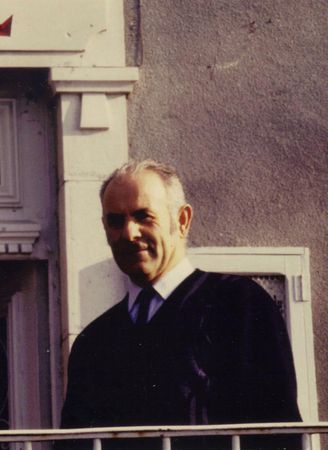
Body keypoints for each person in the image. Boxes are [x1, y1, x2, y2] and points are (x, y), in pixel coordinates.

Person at [59, 159, 301, 449]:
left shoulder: (239, 306)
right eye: (115, 220)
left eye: (143, 216)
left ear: (182, 220)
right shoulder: (94, 342)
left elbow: (278, 430)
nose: (128, 233)